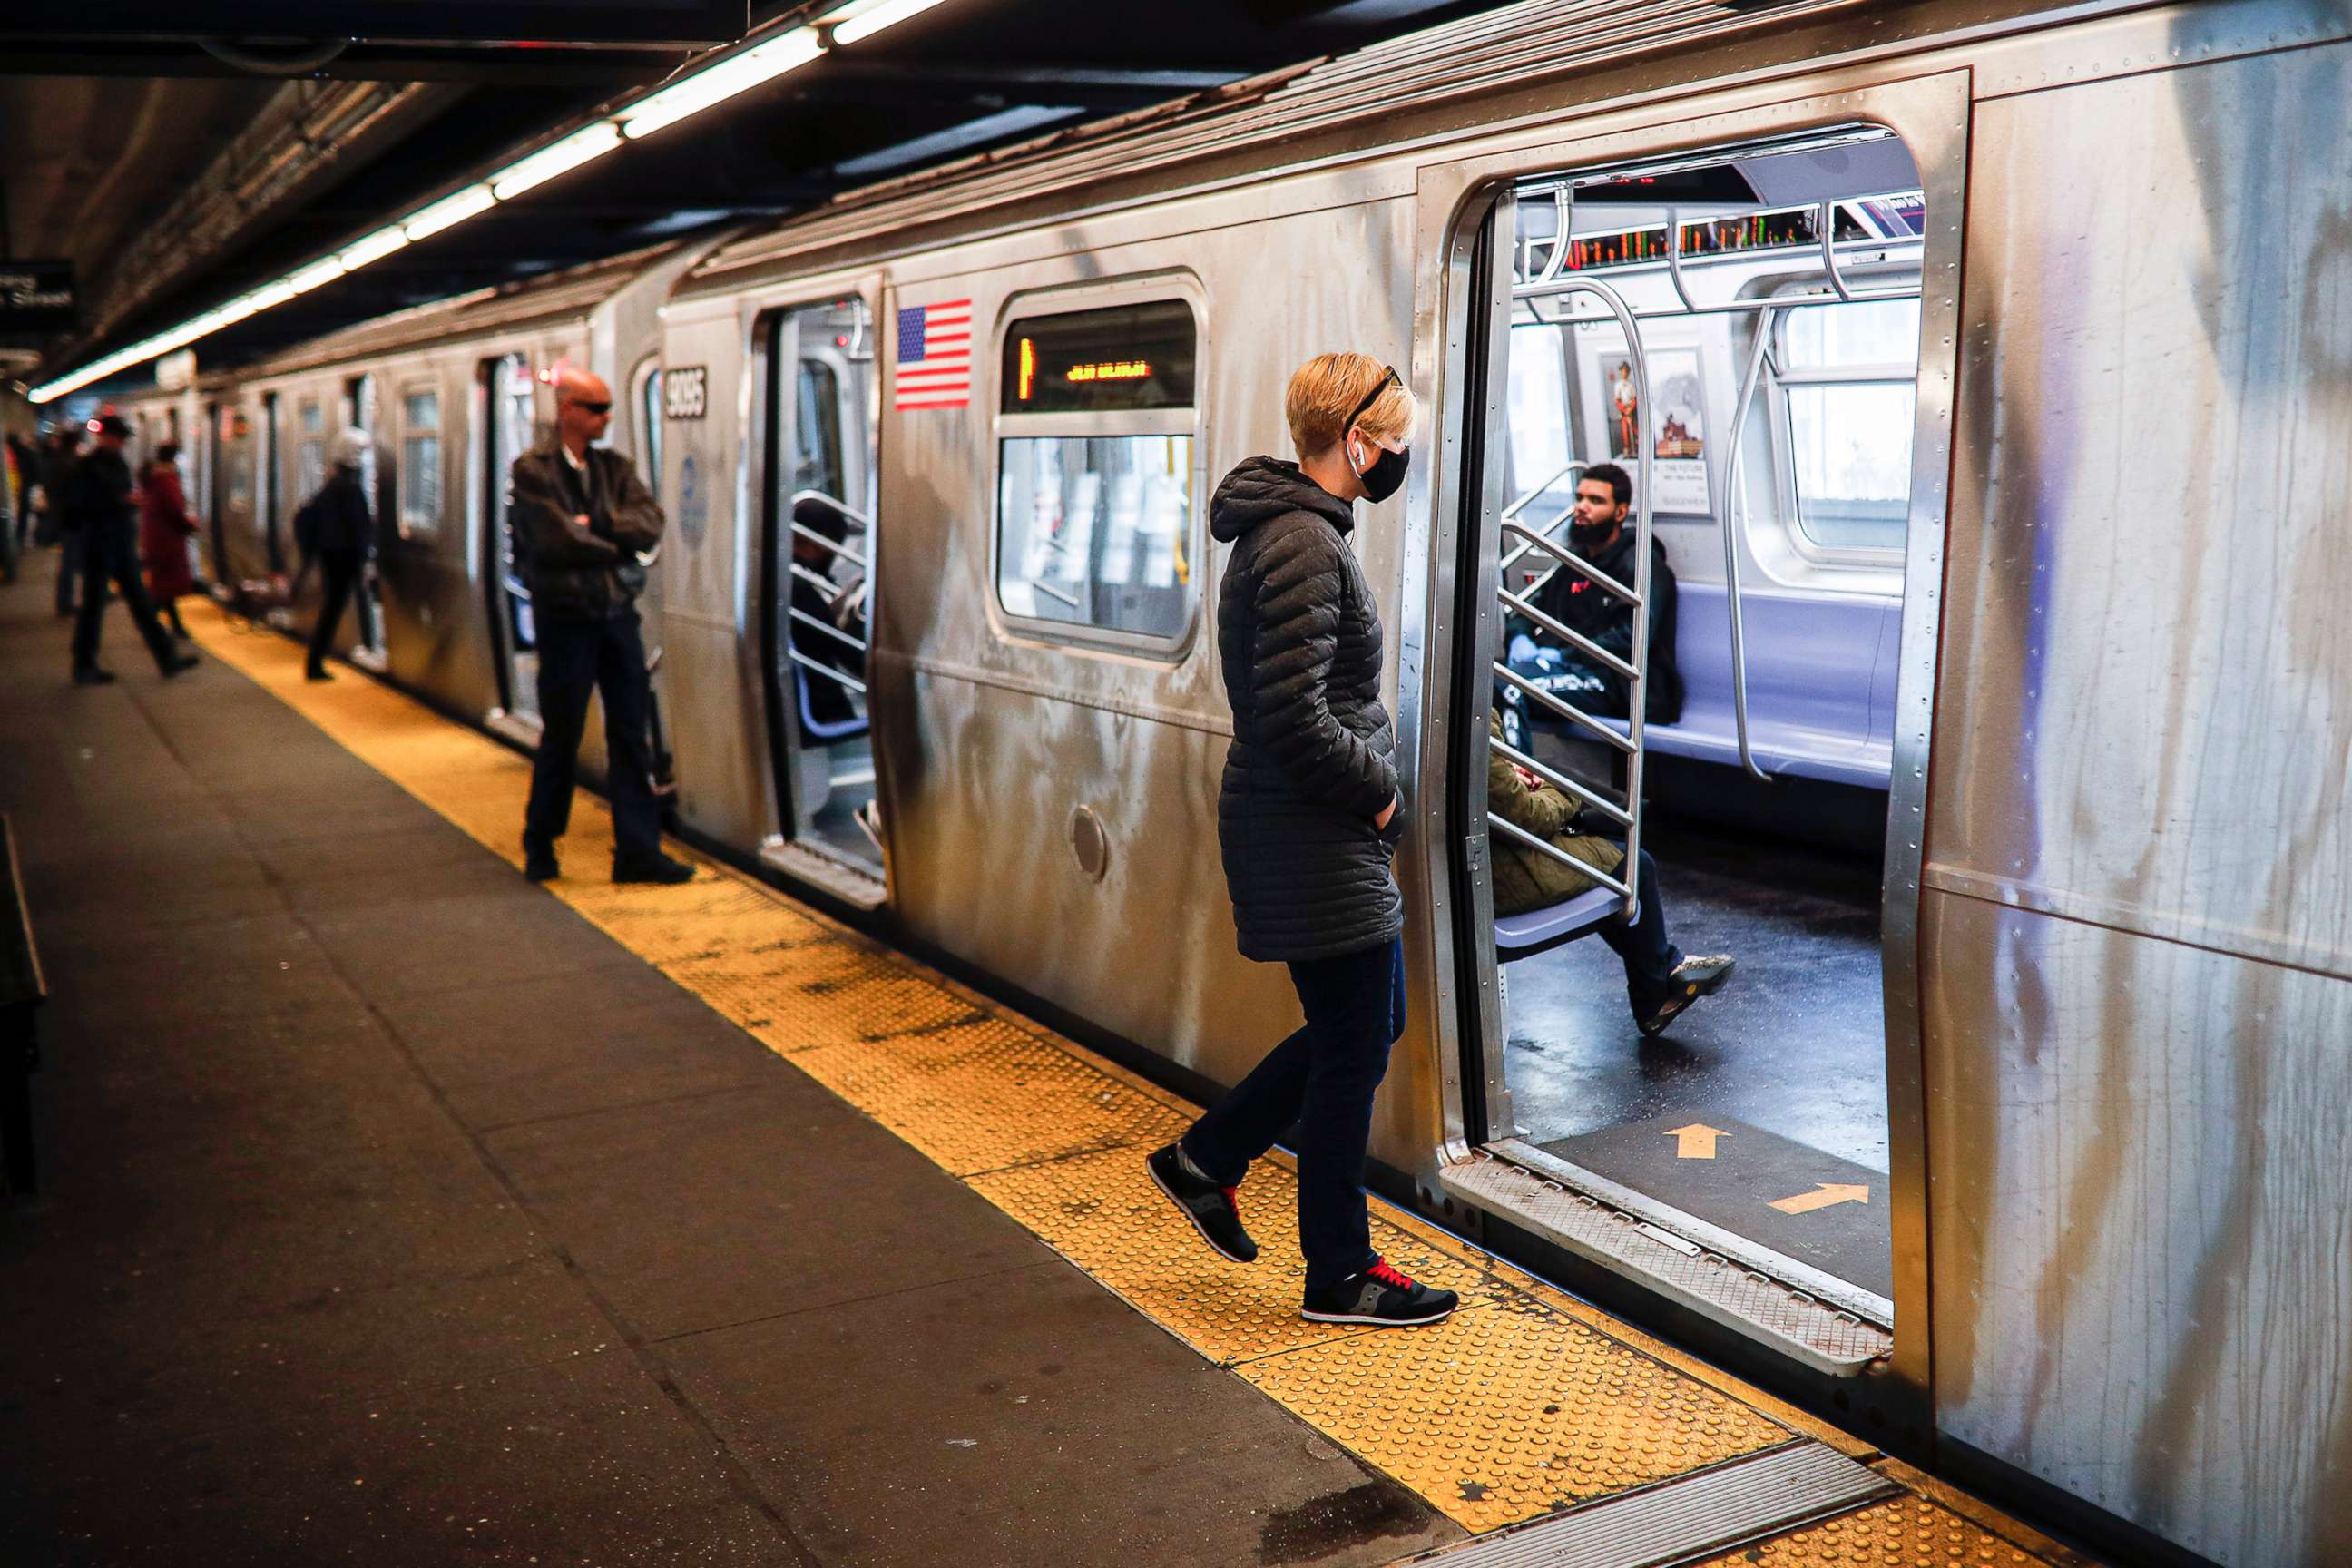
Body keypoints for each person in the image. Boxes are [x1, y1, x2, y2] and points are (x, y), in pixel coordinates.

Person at [1146, 352, 1456, 1329]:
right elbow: (1289, 713)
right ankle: (1339, 1273)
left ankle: (1208, 1160)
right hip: (1313, 824)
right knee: (1357, 1042)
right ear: (1356, 441)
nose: (1399, 456)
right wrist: (1376, 796)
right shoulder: (1304, 545)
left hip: (1307, 824)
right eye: (1394, 441)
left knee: (1359, 1028)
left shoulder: (1298, 530)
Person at [513, 367, 692, 886]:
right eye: (595, 408)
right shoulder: (533, 471)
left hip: (617, 618)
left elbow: (650, 522)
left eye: (608, 408)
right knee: (562, 735)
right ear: (566, 408)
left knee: (630, 735)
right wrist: (615, 545)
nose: (605, 418)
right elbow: (553, 539)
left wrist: (599, 528)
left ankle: (637, 852)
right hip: (565, 620)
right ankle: (540, 842)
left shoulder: (616, 467)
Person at [1487, 711, 1733, 1035]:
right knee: (1634, 866)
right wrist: (1562, 790)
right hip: (1499, 873)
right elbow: (1525, 815)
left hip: (1491, 856)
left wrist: (1519, 779)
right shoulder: (1470, 712)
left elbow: (1497, 789)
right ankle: (1657, 990)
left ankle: (1665, 970)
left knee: (1611, 850)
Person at [1502, 460, 1681, 732]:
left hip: (1620, 683)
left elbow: (1632, 636)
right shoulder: (1576, 562)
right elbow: (1529, 610)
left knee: (1513, 690)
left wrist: (1562, 656)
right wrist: (1519, 637)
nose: (1582, 507)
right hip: (1576, 670)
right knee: (1484, 682)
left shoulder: (1641, 565)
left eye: (1595, 501)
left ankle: (1515, 777)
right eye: (1579, 498)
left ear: (1620, 512)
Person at [65, 416, 196, 685]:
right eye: (119, 438)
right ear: (106, 437)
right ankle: (83, 664)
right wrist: (120, 501)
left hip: (121, 543)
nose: (122, 443)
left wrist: (128, 503)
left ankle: (167, 657)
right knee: (93, 606)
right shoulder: (88, 467)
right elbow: (79, 506)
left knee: (141, 602)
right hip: (98, 544)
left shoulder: (119, 464)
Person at [300, 430, 376, 681]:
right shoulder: (349, 488)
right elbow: (357, 527)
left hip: (332, 555)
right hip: (343, 558)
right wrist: (366, 560)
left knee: (331, 608)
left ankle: (315, 662)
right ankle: (315, 664)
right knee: (332, 610)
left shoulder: (332, 485)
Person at [140, 443, 200, 640]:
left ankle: (173, 626)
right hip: (168, 541)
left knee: (164, 587)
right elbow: (174, 510)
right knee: (164, 587)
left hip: (156, 538)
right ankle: (151, 623)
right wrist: (189, 525)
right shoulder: (166, 481)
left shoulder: (152, 478)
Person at [46, 427, 85, 618]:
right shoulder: (69, 463)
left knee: (71, 559)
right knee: (71, 560)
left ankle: (66, 600)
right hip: (72, 519)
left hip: (65, 517)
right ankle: (65, 602)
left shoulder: (57, 460)